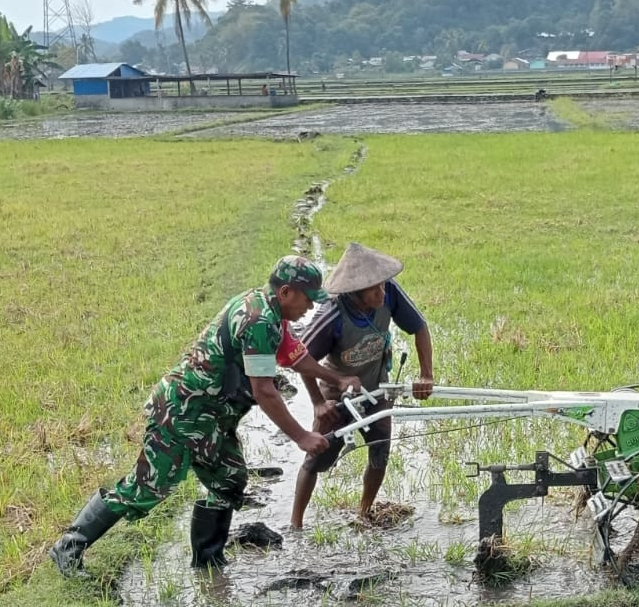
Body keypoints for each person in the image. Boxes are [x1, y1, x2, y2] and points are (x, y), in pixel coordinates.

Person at [50, 256, 360, 576]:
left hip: (211, 419)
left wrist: (337, 379)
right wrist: (302, 436)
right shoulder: (258, 321)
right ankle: (70, 545)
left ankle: (208, 564)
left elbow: (296, 357)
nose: (310, 307)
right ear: (285, 292)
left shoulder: (269, 312)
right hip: (182, 415)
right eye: (308, 299)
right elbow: (265, 390)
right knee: (145, 488)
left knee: (228, 480)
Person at [288, 242, 435, 530]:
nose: (381, 293)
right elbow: (301, 358)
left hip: (377, 386)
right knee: (318, 456)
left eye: (382, 286)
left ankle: (364, 513)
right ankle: (296, 524)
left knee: (380, 449)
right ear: (355, 293)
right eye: (373, 290)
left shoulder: (389, 292)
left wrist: (426, 375)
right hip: (338, 392)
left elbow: (419, 327)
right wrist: (319, 401)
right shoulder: (332, 314)